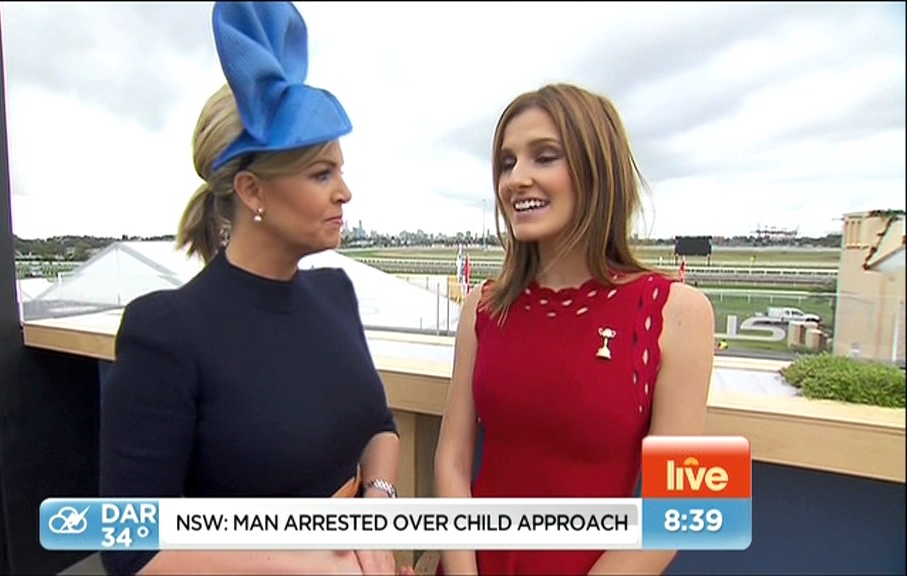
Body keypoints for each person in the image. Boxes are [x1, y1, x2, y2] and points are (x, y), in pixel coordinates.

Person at [99, 3, 408, 574]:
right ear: (252, 191)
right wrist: (320, 565)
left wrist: (377, 503)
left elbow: (378, 427)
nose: (345, 192)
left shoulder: (336, 293)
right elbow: (131, 550)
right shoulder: (165, 332)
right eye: (322, 173)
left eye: (340, 171)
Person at [434, 83, 716, 575]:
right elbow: (452, 462)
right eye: (506, 163)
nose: (516, 179)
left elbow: (680, 511)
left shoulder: (679, 312)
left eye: (544, 157)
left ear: (597, 170)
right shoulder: (483, 306)